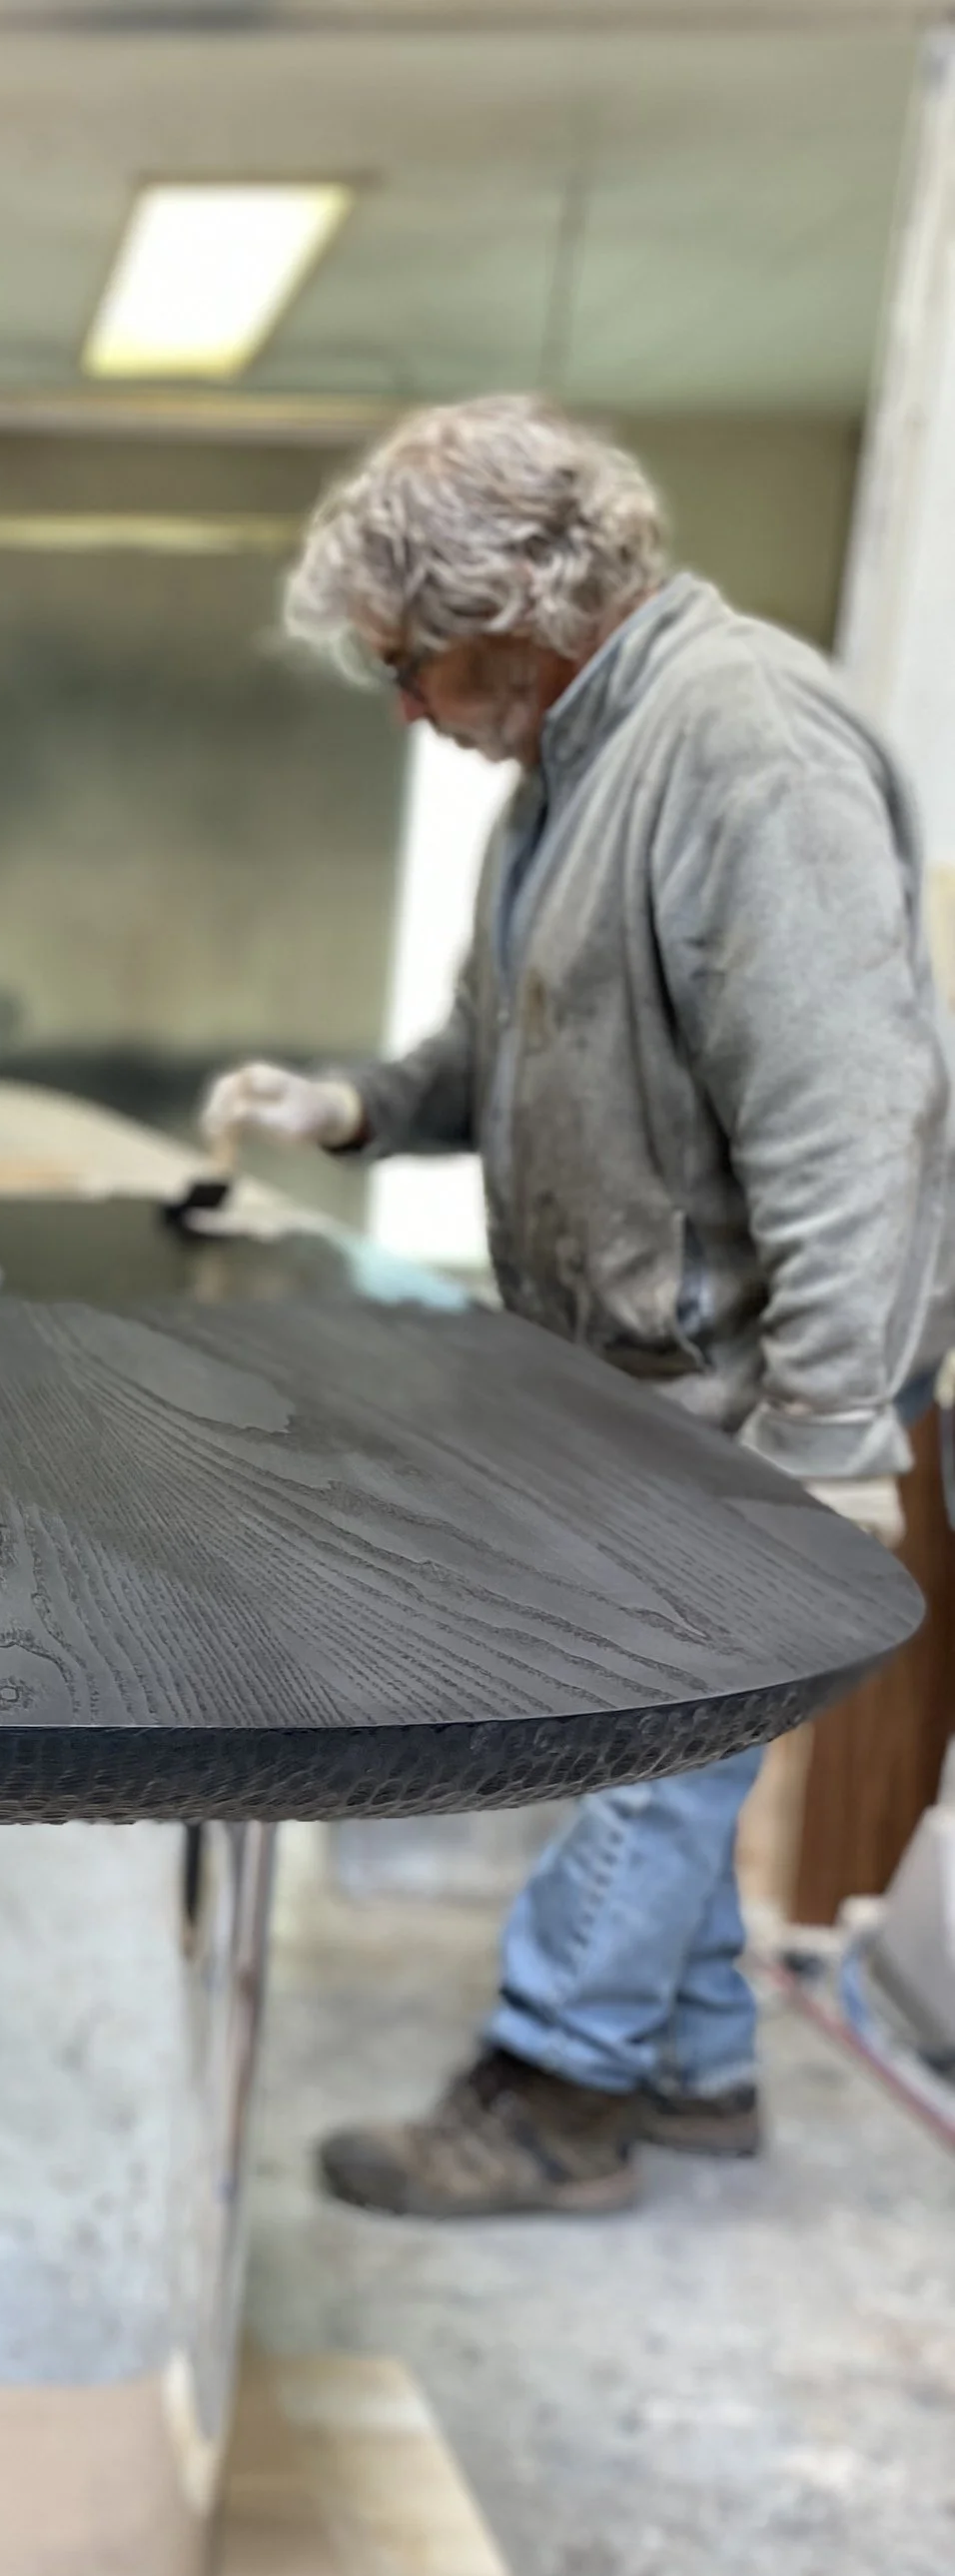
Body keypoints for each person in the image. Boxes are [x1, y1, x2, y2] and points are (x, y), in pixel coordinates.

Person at [201, 395, 955, 2220]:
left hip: (748, 1394)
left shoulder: (739, 746)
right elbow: (506, 1042)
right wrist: (358, 1105)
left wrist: (840, 1435)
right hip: (624, 1380)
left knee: (651, 1745)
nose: (406, 707)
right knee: (680, 1763)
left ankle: (552, 2095)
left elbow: (854, 1112)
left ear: (513, 611)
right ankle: (692, 2074)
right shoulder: (568, 769)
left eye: (411, 663)